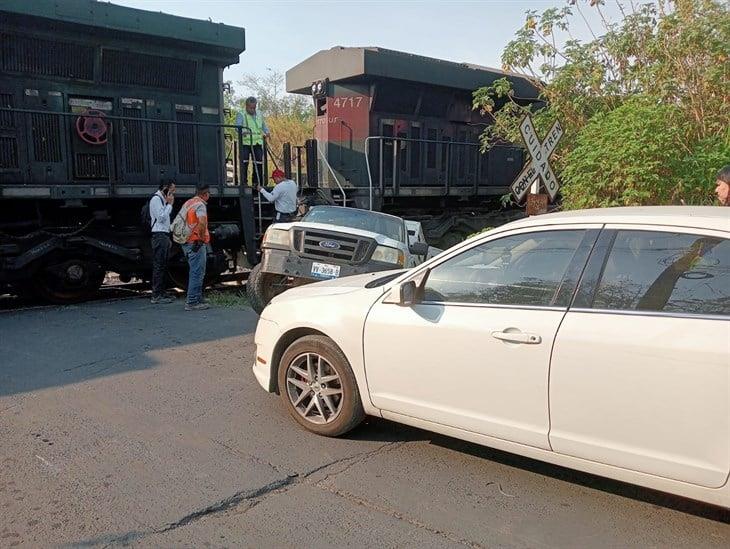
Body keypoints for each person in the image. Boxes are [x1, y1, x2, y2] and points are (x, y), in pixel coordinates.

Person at [180, 183, 211, 311]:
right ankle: (192, 301)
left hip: (186, 241)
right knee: (197, 272)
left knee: (196, 270)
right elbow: (202, 222)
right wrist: (202, 238)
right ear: (205, 194)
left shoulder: (188, 203)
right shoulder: (200, 205)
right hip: (196, 242)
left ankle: (197, 297)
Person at [149, 180, 176, 304]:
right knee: (159, 265)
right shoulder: (156, 200)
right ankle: (156, 295)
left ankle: (161, 292)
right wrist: (170, 205)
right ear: (165, 189)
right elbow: (160, 217)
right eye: (171, 191)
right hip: (159, 235)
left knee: (163, 265)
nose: (172, 194)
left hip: (163, 235)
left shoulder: (161, 200)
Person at [235, 97, 270, 186]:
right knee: (244, 163)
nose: (253, 110)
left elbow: (263, 125)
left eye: (254, 107)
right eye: (251, 108)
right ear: (246, 106)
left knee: (258, 163)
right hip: (245, 143)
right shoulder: (241, 114)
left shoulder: (259, 114)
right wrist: (243, 131)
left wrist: (267, 132)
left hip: (257, 143)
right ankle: (244, 183)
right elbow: (237, 128)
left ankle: (257, 183)